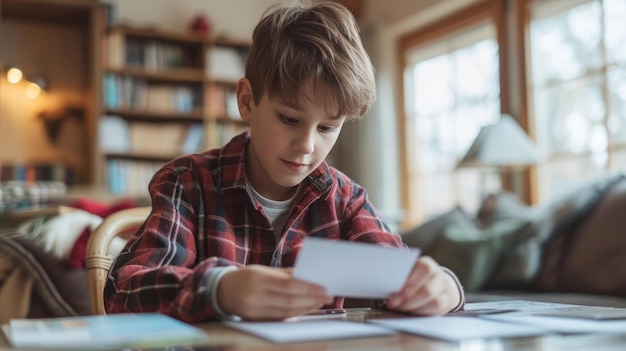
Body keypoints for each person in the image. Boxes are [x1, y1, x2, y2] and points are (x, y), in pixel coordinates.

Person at [104, 0, 465, 323]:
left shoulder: (345, 200)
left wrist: (444, 289)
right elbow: (123, 292)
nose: (306, 145)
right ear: (247, 101)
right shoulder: (187, 182)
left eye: (327, 127)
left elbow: (402, 278)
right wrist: (221, 288)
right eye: (289, 119)